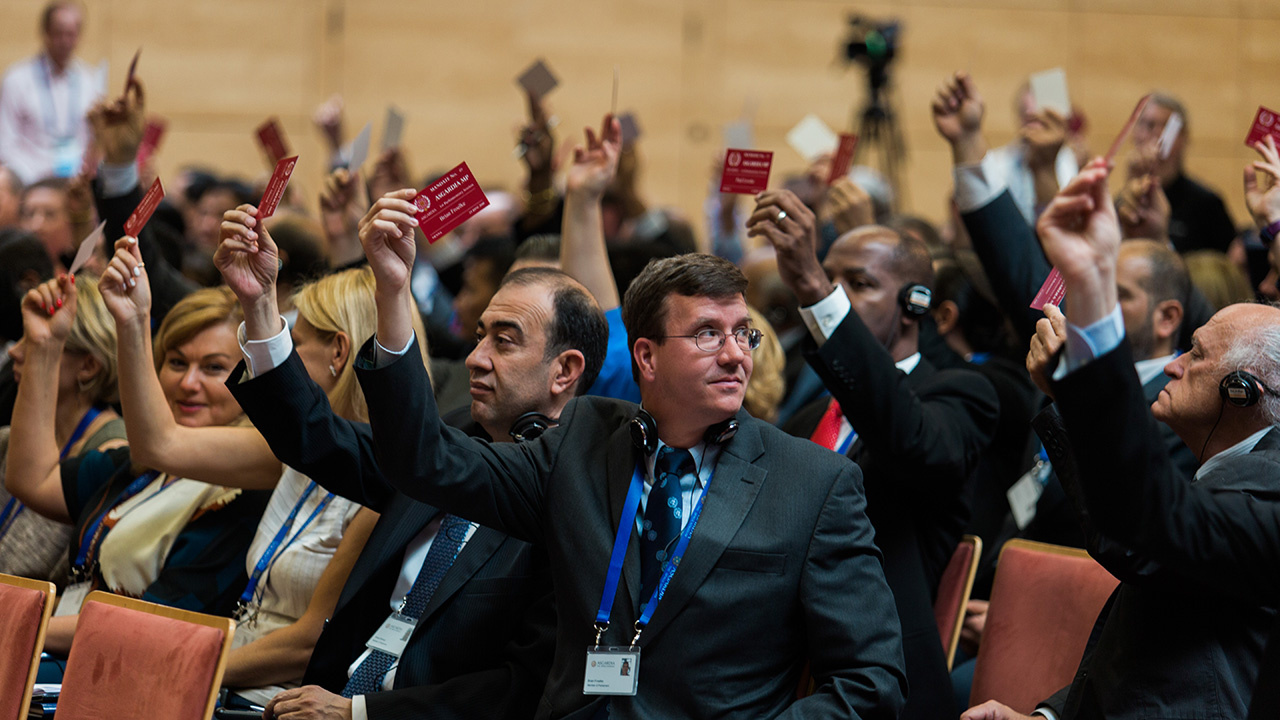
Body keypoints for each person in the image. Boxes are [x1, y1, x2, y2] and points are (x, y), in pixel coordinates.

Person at [315, 172, 908, 716]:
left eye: (742, 333)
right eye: (706, 334)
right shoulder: (579, 444)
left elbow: (870, 680)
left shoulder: (812, 481)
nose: (735, 354)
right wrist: (393, 293)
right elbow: (427, 463)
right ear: (645, 357)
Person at [218, 202, 608, 717]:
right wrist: (259, 306)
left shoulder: (584, 501)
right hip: (314, 697)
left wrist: (357, 715)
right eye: (480, 335)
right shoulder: (438, 448)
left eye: (504, 342)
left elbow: (517, 689)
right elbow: (315, 437)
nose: (475, 357)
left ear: (565, 372)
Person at [963, 160, 1280, 720]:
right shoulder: (1232, 473)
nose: (1174, 365)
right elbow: (1155, 651)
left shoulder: (1267, 492)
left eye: (1196, 354)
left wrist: (1086, 332)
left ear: (1241, 391)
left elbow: (1144, 537)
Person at [99, 232, 381, 708]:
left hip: (272, 701)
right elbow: (158, 444)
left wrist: (174, 660)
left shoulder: (390, 479)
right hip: (225, 678)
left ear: (339, 352)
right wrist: (133, 321)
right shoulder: (292, 452)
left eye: (296, 342)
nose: (281, 356)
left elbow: (308, 643)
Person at [753, 191, 998, 720]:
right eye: (832, 278)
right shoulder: (804, 419)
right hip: (770, 659)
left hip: (881, 679)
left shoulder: (959, 397)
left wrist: (817, 291)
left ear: (916, 304)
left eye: (859, 285)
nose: (839, 295)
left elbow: (907, 437)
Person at [932, 71, 1200, 547]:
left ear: (1168, 318)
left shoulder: (1180, 410)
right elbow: (1015, 263)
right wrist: (969, 144)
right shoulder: (1063, 366)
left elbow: (1137, 539)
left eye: (1117, 293)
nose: (1089, 300)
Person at [4, 279, 269, 657]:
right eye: (177, 363)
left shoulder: (246, 494)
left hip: (126, 669)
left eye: (213, 368)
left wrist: (22, 628)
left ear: (251, 382)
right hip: (65, 656)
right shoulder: (145, 465)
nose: (188, 383)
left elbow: (154, 619)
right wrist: (45, 348)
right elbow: (31, 480)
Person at [1, 274, 125, 586]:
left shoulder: (110, 451)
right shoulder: (7, 441)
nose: (14, 351)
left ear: (88, 366)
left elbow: (34, 575)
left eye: (38, 340)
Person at [0, 1, 103, 183]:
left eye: (71, 34)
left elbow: (94, 141)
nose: (65, 42)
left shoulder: (90, 82)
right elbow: (6, 146)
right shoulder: (16, 80)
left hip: (76, 185)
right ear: (45, 33)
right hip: (30, 183)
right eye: (58, 33)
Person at [1126, 93, 1237, 254]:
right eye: (1147, 125)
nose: (1155, 137)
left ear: (1183, 137)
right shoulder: (1120, 203)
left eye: (1165, 128)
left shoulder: (1207, 205)